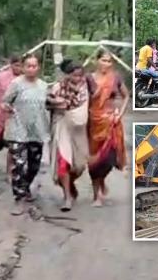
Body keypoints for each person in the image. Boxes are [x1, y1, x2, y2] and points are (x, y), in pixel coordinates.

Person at [2, 54, 50, 214]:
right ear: (23, 68)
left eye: (34, 66)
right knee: (19, 165)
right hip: (18, 129)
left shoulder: (43, 86)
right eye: (28, 66)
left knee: (34, 165)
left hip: (37, 130)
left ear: (39, 68)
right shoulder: (16, 84)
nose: (31, 69)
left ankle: (26, 186)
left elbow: (47, 104)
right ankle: (19, 197)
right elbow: (5, 101)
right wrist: (6, 107)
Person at [46, 58, 89, 212]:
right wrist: (57, 103)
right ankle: (67, 197)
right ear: (68, 74)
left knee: (79, 165)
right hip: (61, 127)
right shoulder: (58, 86)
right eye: (74, 75)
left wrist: (60, 103)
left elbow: (79, 109)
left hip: (78, 130)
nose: (77, 79)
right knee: (63, 162)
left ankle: (70, 185)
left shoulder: (84, 89)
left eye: (80, 76)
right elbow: (48, 103)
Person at [87, 50, 129, 207]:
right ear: (97, 60)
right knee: (93, 160)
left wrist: (120, 114)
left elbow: (126, 96)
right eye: (104, 60)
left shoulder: (115, 78)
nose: (107, 64)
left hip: (111, 123)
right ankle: (96, 196)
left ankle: (102, 180)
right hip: (93, 123)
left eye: (109, 61)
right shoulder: (89, 79)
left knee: (109, 159)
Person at [0, 55, 22, 173]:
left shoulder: (25, 78)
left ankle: (11, 169)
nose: (19, 68)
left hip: (18, 116)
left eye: (21, 65)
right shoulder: (1, 77)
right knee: (0, 141)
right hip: (2, 115)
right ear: (11, 65)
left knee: (16, 144)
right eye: (17, 65)